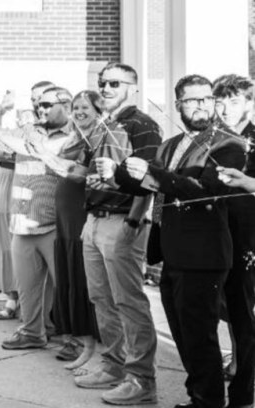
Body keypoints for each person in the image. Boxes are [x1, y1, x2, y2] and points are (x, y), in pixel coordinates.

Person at [116, 75, 244, 408]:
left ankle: (209, 400)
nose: (202, 105)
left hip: (204, 254)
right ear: (178, 105)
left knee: (200, 336)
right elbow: (150, 184)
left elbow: (206, 192)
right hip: (171, 251)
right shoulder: (170, 144)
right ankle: (197, 395)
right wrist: (121, 172)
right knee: (184, 334)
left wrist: (154, 174)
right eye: (192, 100)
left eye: (207, 98)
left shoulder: (228, 145)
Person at [0, 83, 72, 351]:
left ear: (66, 105)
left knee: (66, 288)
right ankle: (32, 333)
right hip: (21, 224)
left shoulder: (73, 136)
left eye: (47, 104)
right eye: (38, 104)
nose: (40, 108)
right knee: (27, 287)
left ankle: (75, 340)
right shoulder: (27, 131)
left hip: (52, 225)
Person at [76, 63, 161, 406]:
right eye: (102, 83)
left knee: (128, 301)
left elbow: (149, 177)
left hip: (123, 221)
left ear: (133, 87)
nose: (106, 88)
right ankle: (113, 365)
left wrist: (134, 222)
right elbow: (84, 171)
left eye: (115, 83)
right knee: (102, 298)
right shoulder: (104, 125)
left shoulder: (143, 125)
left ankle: (142, 379)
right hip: (95, 220)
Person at [35, 90, 103, 371]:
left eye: (85, 107)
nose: (79, 111)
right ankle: (82, 343)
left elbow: (87, 175)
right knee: (71, 280)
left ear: (98, 110)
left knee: (84, 282)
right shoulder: (74, 138)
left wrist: (58, 166)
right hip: (64, 220)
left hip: (80, 216)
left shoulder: (98, 137)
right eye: (76, 107)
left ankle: (94, 350)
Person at [212, 73, 255, 407]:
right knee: (229, 308)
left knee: (245, 312)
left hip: (249, 236)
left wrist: (247, 183)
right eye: (220, 101)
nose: (225, 109)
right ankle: (238, 363)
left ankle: (244, 391)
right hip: (218, 234)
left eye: (234, 101)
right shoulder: (213, 139)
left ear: (249, 103)